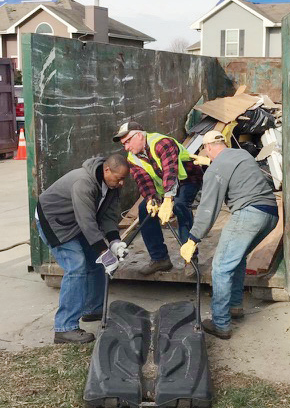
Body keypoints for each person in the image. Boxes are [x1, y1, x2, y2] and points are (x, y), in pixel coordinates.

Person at [180, 130, 278, 339]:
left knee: (221, 267)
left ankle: (221, 324)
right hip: (270, 214)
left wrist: (193, 238)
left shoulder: (216, 168)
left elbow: (208, 208)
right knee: (237, 258)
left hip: (249, 214)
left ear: (207, 148)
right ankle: (235, 307)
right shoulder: (242, 155)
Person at [35, 154, 130, 344]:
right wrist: (105, 253)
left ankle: (93, 309)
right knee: (77, 266)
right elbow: (86, 221)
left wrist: (114, 242)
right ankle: (64, 327)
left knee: (95, 262)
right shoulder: (83, 183)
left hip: (76, 221)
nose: (121, 183)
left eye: (124, 179)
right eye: (119, 178)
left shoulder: (111, 185)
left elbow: (108, 216)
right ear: (107, 170)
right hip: (55, 222)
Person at [113, 121, 203, 276]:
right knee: (144, 210)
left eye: (127, 142)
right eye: (123, 144)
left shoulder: (162, 143)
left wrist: (168, 200)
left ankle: (190, 259)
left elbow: (171, 171)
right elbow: (143, 181)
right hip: (166, 185)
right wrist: (151, 199)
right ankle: (160, 258)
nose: (126, 147)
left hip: (187, 179)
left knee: (180, 206)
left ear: (139, 135)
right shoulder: (132, 158)